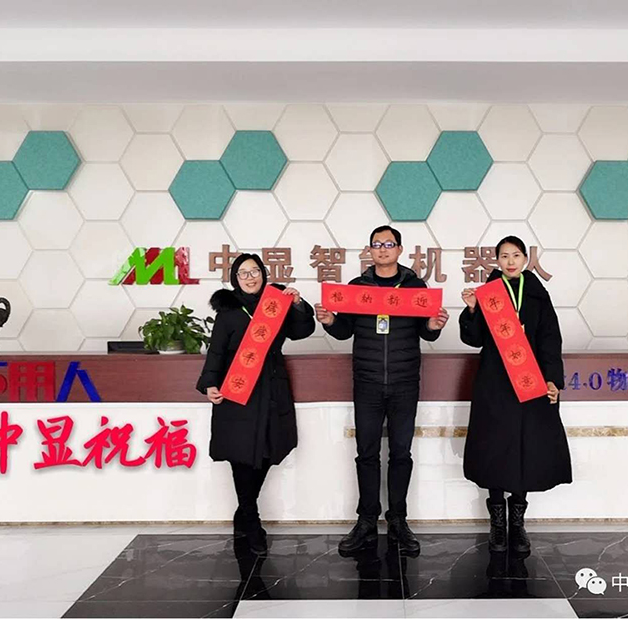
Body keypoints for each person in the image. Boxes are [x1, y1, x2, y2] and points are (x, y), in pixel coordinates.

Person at [315, 225, 449, 556]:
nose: (383, 249)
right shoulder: (357, 288)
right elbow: (345, 331)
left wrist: (433, 325)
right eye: (377, 244)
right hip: (367, 382)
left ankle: (398, 520)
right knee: (366, 453)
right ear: (369, 250)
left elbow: (426, 332)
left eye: (389, 244)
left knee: (401, 453)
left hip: (405, 382)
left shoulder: (415, 287)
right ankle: (366, 520)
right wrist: (330, 321)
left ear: (400, 250)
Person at [196, 252, 315, 556]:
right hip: (237, 391)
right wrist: (209, 384)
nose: (250, 278)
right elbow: (216, 351)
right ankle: (252, 520)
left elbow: (302, 331)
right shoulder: (228, 311)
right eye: (243, 273)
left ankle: (243, 511)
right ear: (235, 279)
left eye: (255, 271)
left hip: (272, 388)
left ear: (263, 273)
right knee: (241, 455)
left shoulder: (275, 304)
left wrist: (298, 304)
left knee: (266, 451)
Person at [459, 235, 572, 554]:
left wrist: (553, 380)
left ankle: (518, 524)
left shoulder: (537, 293)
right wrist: (472, 310)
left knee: (527, 448)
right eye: (504, 256)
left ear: (525, 260)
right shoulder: (489, 293)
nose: (510, 261)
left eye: (516, 255)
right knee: (495, 447)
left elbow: (550, 339)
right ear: (497, 260)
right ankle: (497, 523)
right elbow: (474, 339)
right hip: (495, 382)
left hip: (530, 381)